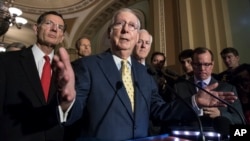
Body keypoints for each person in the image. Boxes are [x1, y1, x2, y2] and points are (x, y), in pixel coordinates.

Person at [60, 8, 238, 141]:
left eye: (132, 26)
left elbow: (159, 111)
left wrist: (194, 101)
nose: (125, 30)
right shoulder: (88, 65)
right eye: (119, 24)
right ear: (109, 32)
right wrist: (67, 102)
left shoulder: (145, 73)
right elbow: (73, 116)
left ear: (137, 36)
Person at [0, 11, 75, 141]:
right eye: (48, 23)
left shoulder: (67, 70)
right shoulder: (7, 61)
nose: (54, 29)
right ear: (36, 28)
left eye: (60, 27)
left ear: (62, 37)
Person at [165, 47, 244, 138]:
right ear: (193, 64)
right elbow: (170, 115)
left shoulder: (228, 88)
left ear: (212, 64)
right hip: (188, 137)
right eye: (198, 65)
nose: (202, 68)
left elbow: (240, 119)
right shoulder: (179, 88)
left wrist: (220, 114)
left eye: (206, 64)